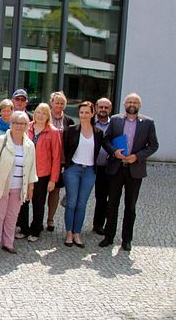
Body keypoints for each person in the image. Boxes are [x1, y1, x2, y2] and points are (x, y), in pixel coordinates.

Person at [99, 93, 158, 251]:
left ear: (139, 105)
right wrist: (114, 152)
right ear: (124, 104)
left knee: (130, 206)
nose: (132, 104)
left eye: (135, 102)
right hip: (116, 168)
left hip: (135, 170)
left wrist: (137, 157)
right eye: (129, 101)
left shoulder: (148, 123)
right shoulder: (116, 120)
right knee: (112, 204)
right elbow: (105, 140)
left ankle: (126, 239)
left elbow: (153, 145)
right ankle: (108, 236)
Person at [0, 111, 37, 254]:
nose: (19, 126)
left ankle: (8, 243)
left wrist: (31, 186)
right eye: (16, 123)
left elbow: (32, 166)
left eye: (22, 123)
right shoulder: (2, 140)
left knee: (12, 216)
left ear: (27, 125)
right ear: (11, 124)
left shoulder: (29, 145)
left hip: (19, 186)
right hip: (1, 184)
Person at [61, 101, 103, 248]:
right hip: (73, 170)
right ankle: (69, 233)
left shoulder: (98, 133)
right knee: (71, 203)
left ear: (93, 114)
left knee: (82, 204)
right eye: (81, 112)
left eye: (87, 112)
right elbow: (65, 150)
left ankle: (77, 233)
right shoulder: (71, 130)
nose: (84, 115)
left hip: (89, 172)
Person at [17, 103, 61, 242]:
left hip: (42, 173)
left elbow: (56, 157)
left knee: (38, 202)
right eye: (38, 112)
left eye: (44, 113)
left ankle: (36, 229)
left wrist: (53, 179)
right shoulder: (27, 126)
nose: (40, 115)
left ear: (48, 116)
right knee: (23, 200)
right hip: (25, 170)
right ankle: (24, 228)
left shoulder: (53, 132)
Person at [46, 91, 74, 234]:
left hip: (60, 160)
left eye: (62, 103)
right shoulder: (44, 116)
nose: (59, 105)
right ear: (51, 103)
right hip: (44, 159)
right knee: (38, 190)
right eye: (57, 102)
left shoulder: (68, 121)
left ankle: (50, 218)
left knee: (55, 189)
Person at [92, 97, 113, 235]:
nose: (103, 110)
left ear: (110, 109)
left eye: (106, 107)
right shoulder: (89, 122)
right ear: (96, 108)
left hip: (105, 166)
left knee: (102, 197)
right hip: (89, 165)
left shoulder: (115, 124)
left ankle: (98, 225)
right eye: (101, 107)